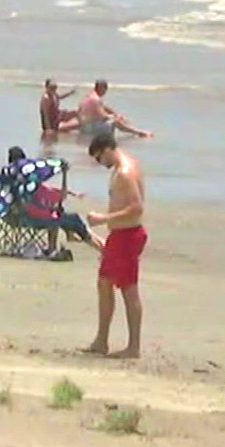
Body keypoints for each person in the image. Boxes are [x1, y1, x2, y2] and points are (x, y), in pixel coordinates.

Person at [84, 131, 147, 358]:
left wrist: (103, 218)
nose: (101, 164)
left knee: (129, 290)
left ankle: (133, 347)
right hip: (120, 235)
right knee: (104, 282)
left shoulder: (124, 172)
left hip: (128, 235)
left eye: (100, 158)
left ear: (108, 150)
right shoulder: (130, 165)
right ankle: (101, 340)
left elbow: (137, 207)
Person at [76, 81, 153, 141]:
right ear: (101, 88)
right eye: (105, 89)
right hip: (92, 129)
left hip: (83, 127)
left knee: (117, 118)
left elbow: (105, 107)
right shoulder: (96, 99)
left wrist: (116, 114)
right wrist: (114, 117)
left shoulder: (88, 97)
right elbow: (102, 116)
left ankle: (135, 131)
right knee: (116, 122)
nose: (105, 92)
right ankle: (139, 132)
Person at [38, 79, 79, 149]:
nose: (54, 89)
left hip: (57, 116)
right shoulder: (46, 98)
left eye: (55, 87)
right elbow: (45, 114)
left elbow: (60, 97)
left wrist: (70, 93)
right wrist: (48, 128)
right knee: (75, 126)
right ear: (46, 87)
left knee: (76, 112)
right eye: (51, 87)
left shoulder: (53, 94)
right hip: (52, 123)